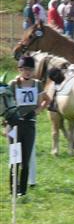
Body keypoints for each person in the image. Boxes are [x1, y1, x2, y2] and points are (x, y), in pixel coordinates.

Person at [6, 56, 50, 196]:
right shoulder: (13, 84)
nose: (27, 72)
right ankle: (13, 189)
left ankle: (22, 191)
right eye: (25, 69)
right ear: (19, 70)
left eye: (30, 69)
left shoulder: (37, 84)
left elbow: (47, 100)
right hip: (14, 125)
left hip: (29, 124)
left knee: (26, 159)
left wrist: (36, 111)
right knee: (15, 158)